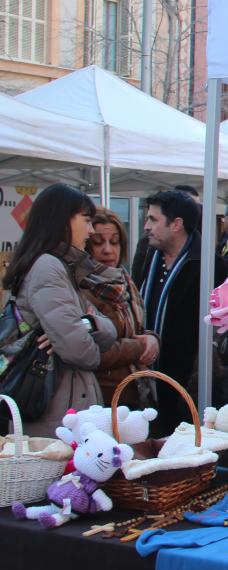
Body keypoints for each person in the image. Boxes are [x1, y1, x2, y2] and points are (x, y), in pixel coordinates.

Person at [3, 184, 118, 434]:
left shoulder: (60, 266)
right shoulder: (48, 267)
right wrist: (84, 333)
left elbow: (109, 329)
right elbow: (81, 351)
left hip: (62, 407)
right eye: (86, 220)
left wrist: (86, 325)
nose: (90, 230)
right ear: (61, 219)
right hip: (56, 413)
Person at [135, 190, 228, 432]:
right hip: (145, 379)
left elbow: (223, 325)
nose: (146, 226)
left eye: (153, 220)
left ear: (176, 224)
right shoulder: (147, 253)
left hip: (187, 386)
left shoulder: (210, 265)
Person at [82, 210, 159, 406]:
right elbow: (87, 350)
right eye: (98, 242)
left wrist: (152, 338)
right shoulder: (79, 288)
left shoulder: (125, 281)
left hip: (137, 394)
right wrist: (139, 346)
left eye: (114, 242)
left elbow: (137, 330)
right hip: (100, 401)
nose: (108, 250)